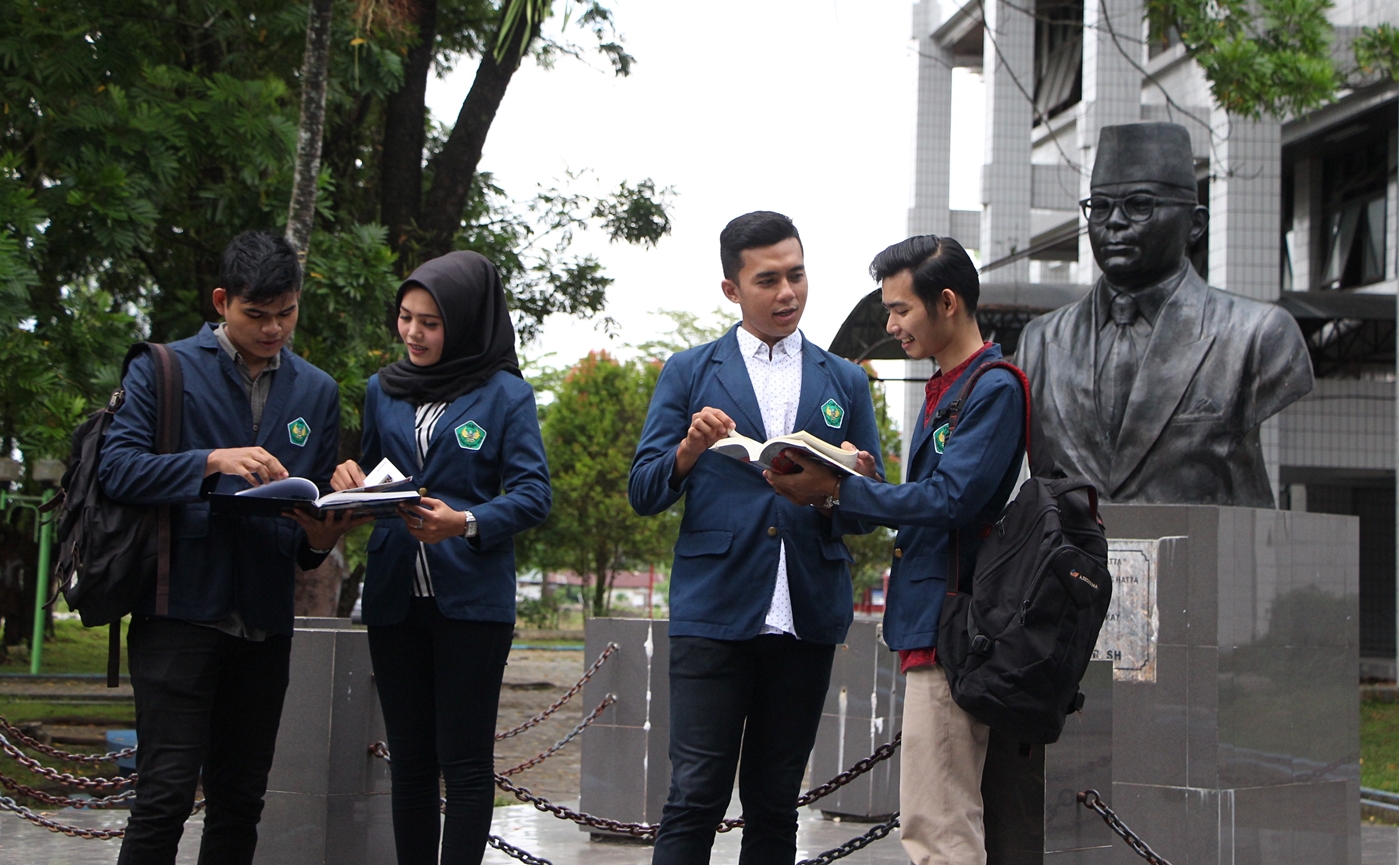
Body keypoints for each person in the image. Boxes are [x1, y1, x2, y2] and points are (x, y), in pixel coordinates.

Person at [629, 211, 884, 865]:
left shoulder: (844, 380)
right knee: (694, 795)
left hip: (804, 613)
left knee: (774, 804)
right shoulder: (689, 372)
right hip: (713, 610)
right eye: (767, 279)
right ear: (731, 289)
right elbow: (644, 490)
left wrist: (842, 484)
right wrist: (687, 450)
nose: (787, 293)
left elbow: (867, 510)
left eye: (796, 275)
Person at [100, 230, 362, 865]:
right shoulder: (164, 369)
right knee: (163, 795)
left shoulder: (316, 391)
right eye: (257, 314)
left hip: (264, 622)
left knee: (241, 799)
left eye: (287, 313)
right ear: (222, 301)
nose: (274, 329)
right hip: (178, 609)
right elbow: (118, 468)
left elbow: (306, 525)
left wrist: (325, 535)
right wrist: (212, 461)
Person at [767, 235, 1025, 865]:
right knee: (935, 815)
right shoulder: (949, 385)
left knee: (937, 824)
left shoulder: (994, 387)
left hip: (954, 628)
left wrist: (840, 493)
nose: (891, 325)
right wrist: (853, 481)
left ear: (947, 303)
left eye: (901, 310)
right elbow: (932, 498)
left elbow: (949, 501)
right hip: (929, 622)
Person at [330, 251, 550, 865]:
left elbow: (535, 494)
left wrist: (466, 521)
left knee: (466, 762)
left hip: (471, 605)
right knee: (411, 763)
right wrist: (351, 480)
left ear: (465, 323)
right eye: (405, 318)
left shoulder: (506, 395)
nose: (414, 334)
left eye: (430, 322)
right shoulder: (382, 390)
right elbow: (380, 477)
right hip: (395, 599)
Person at [1016, 121, 1312, 506]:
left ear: (1196, 225)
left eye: (1140, 206)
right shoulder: (1040, 342)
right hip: (1076, 561)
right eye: (1100, 207)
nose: (1115, 222)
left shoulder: (1258, 334)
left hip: (1207, 557)